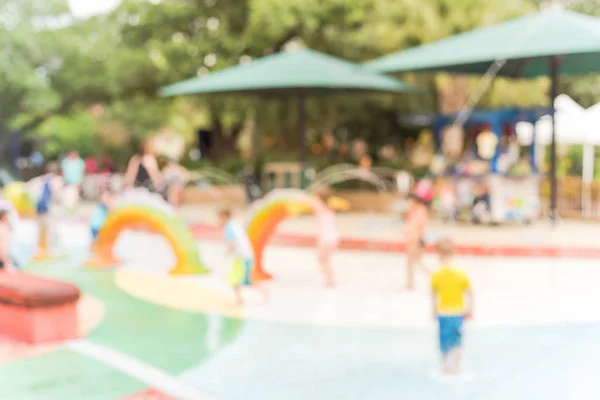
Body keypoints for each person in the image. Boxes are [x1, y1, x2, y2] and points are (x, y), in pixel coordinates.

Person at [431, 238, 473, 376]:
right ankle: (457, 368)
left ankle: (445, 367)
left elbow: (434, 295)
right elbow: (469, 293)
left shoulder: (436, 275)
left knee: (443, 342)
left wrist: (433, 311)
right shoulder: (460, 274)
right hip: (457, 313)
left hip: (443, 313)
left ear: (438, 255)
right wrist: (470, 310)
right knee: (457, 341)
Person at [218, 208, 262, 305]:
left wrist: (226, 253)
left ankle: (242, 299)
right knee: (240, 280)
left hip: (242, 258)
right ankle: (241, 298)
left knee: (237, 280)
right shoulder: (235, 225)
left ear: (226, 217)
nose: (219, 221)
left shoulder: (229, 227)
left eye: (220, 218)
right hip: (246, 256)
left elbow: (232, 244)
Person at [403, 179, 432, 290]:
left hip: (416, 239)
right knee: (418, 263)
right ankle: (412, 283)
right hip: (412, 238)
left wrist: (419, 239)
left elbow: (421, 226)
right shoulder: (414, 210)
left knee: (412, 262)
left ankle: (410, 284)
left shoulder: (420, 211)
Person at [312, 187, 342, 287]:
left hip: (326, 238)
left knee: (322, 259)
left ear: (320, 198)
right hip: (332, 237)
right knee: (324, 259)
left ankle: (330, 280)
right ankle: (330, 279)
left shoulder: (320, 208)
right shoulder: (328, 207)